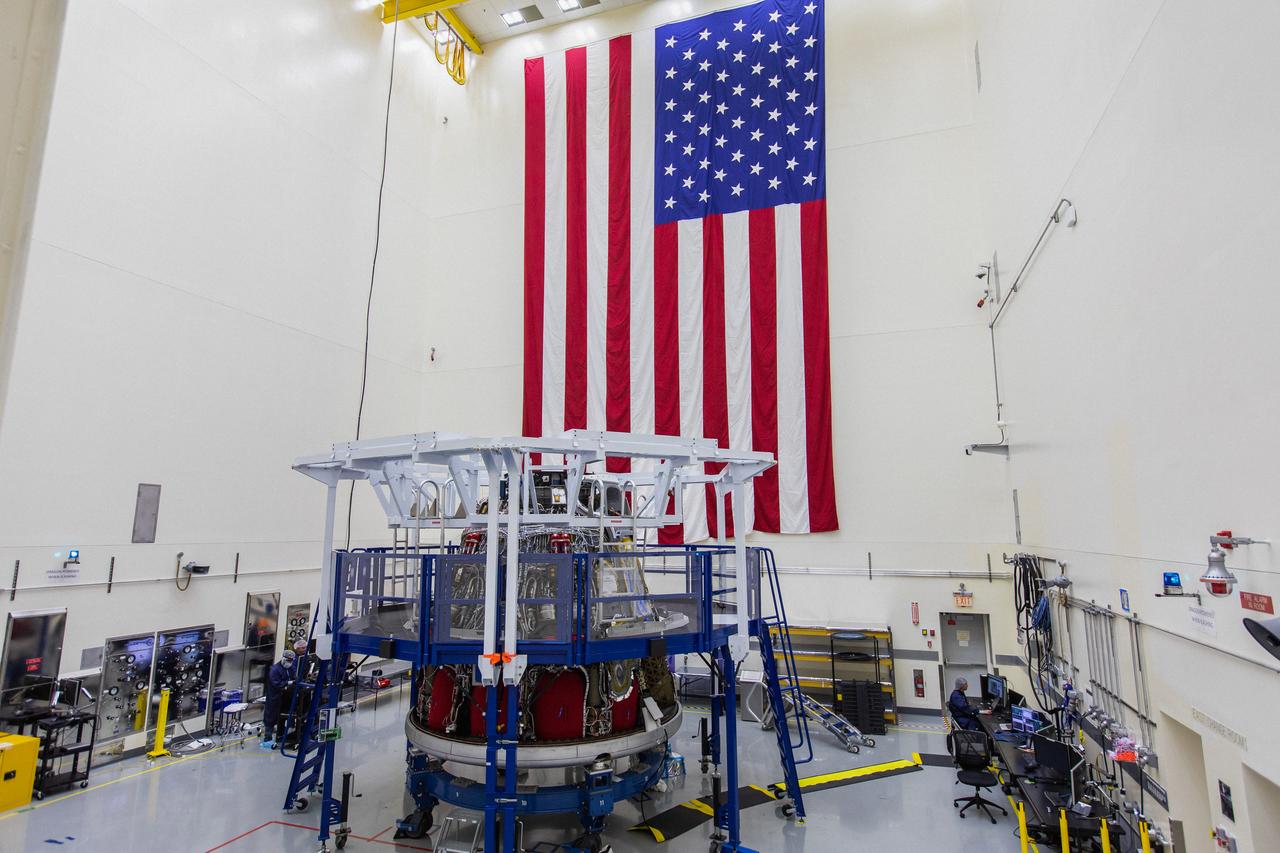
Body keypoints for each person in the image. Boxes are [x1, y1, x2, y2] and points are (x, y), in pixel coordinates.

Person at [261, 648, 296, 749]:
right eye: (288, 660)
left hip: (285, 698)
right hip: (274, 697)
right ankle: (267, 739)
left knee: (282, 717)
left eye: (291, 661)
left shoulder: (290, 667)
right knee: (270, 718)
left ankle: (280, 735)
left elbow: (294, 676)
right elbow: (276, 683)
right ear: (283, 659)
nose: (290, 663)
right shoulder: (275, 669)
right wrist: (287, 683)